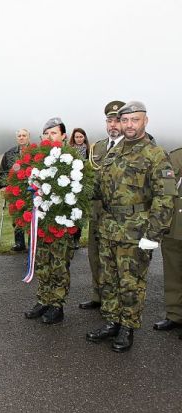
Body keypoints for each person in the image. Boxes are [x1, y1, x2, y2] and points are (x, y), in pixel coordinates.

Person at [86, 101, 175, 352]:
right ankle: (112, 321)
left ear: (145, 121)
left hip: (136, 230)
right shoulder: (113, 151)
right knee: (108, 279)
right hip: (108, 227)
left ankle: (128, 327)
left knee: (131, 282)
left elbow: (165, 196)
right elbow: (99, 188)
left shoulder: (155, 154)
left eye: (134, 120)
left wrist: (154, 233)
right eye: (125, 120)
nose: (129, 125)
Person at [24, 118, 75, 324]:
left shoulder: (71, 159)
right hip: (41, 222)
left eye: (53, 133)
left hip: (61, 224)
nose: (49, 137)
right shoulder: (37, 158)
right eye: (46, 133)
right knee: (43, 262)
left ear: (63, 136)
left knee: (59, 265)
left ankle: (57, 305)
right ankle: (43, 300)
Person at [79, 100, 125, 310]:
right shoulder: (96, 147)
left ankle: (116, 302)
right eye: (109, 120)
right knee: (94, 255)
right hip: (96, 213)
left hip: (120, 218)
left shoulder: (132, 147)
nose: (113, 125)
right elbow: (89, 178)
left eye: (117, 120)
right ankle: (98, 295)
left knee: (117, 261)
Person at [153, 146, 182, 334]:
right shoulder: (175, 156)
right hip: (175, 224)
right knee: (172, 270)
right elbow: (166, 189)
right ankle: (174, 314)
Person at [0, 128, 31, 251]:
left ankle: (32, 242)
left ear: (28, 137)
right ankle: (19, 243)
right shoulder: (9, 153)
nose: (21, 138)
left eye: (24, 135)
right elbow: (3, 172)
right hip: (15, 189)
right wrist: (3, 186)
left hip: (31, 190)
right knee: (17, 216)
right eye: (19, 136)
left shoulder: (35, 151)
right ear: (16, 138)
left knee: (31, 215)